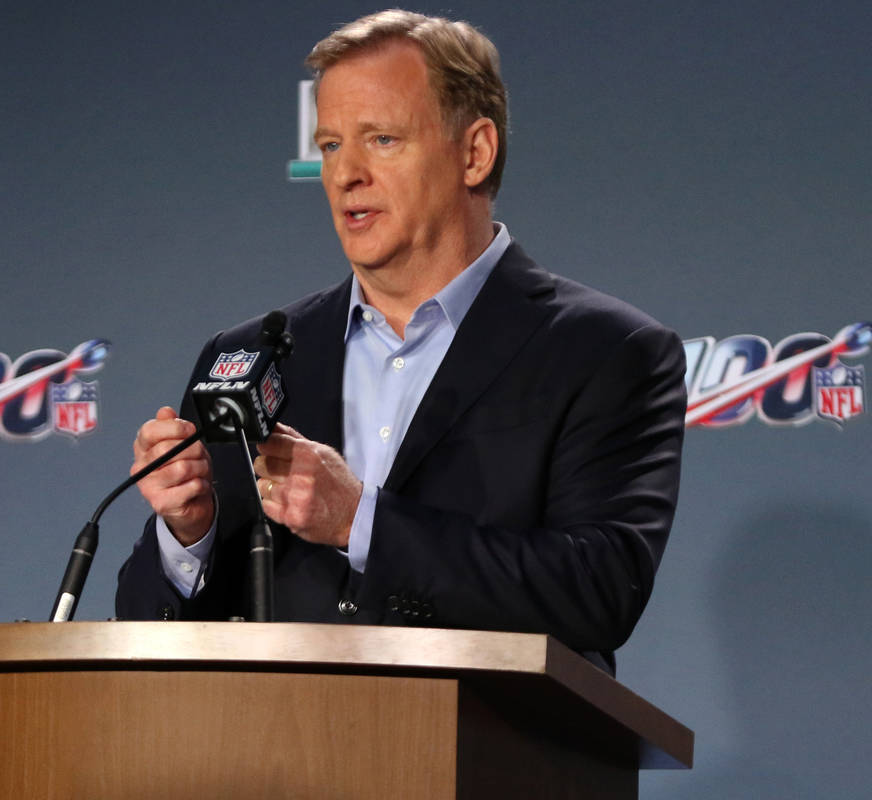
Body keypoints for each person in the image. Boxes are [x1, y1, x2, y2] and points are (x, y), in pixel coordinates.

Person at [115, 9, 686, 674]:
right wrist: (189, 535)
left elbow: (599, 591)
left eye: (381, 139)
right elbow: (148, 631)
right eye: (329, 145)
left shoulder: (603, 351)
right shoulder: (248, 356)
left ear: (474, 152)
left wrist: (361, 521)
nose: (344, 173)